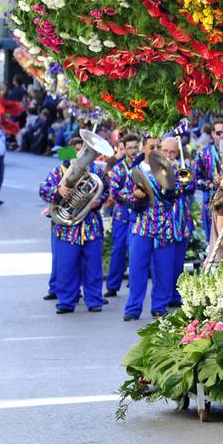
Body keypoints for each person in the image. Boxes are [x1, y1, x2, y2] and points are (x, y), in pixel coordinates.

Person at [119, 137, 197, 321]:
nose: (156, 150)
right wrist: (135, 198)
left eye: (158, 147)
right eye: (151, 147)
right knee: (137, 268)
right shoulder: (135, 171)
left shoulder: (175, 169)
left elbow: (189, 185)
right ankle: (133, 308)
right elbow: (123, 196)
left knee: (164, 269)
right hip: (143, 224)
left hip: (166, 224)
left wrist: (176, 181)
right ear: (143, 149)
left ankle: (159, 307)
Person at [39, 136, 107, 314]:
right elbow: (43, 190)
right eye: (77, 151)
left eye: (82, 151)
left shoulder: (96, 171)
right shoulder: (59, 171)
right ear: (71, 152)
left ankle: (94, 301)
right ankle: (66, 302)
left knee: (93, 267)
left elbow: (105, 191)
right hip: (67, 227)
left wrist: (97, 201)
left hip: (90, 226)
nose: (80, 154)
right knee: (66, 267)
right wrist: (58, 190)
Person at [105, 134, 143, 297]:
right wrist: (131, 197)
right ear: (124, 149)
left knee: (136, 250)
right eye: (130, 148)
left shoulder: (142, 167)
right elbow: (114, 192)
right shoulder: (118, 169)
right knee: (119, 249)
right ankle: (113, 286)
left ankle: (134, 283)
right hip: (122, 214)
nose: (133, 151)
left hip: (140, 213)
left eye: (136, 147)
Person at [193, 120, 223, 240]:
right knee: (213, 241)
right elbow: (194, 178)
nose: (222, 136)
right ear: (213, 134)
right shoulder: (204, 153)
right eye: (219, 133)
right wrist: (209, 184)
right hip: (210, 202)